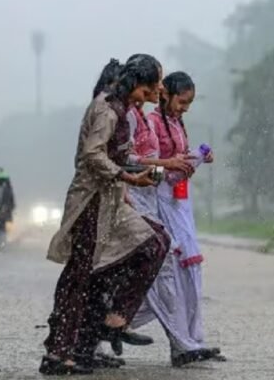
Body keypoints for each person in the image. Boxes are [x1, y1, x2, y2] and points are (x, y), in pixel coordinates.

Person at [40, 55, 170, 376]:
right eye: (149, 87)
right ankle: (58, 352)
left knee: (145, 246)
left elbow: (118, 157)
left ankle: (101, 328)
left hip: (109, 202)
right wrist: (128, 178)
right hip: (90, 203)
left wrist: (139, 173)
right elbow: (92, 154)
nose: (152, 94)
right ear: (135, 84)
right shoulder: (107, 109)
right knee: (79, 276)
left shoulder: (122, 110)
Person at [134, 71, 224, 367]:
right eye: (182, 101)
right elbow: (150, 167)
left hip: (178, 202)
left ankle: (191, 339)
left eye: (189, 103)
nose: (185, 108)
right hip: (158, 203)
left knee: (189, 273)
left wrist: (192, 160)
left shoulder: (173, 123)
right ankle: (179, 340)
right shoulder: (150, 122)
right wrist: (174, 167)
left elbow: (173, 164)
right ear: (165, 95)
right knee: (167, 274)